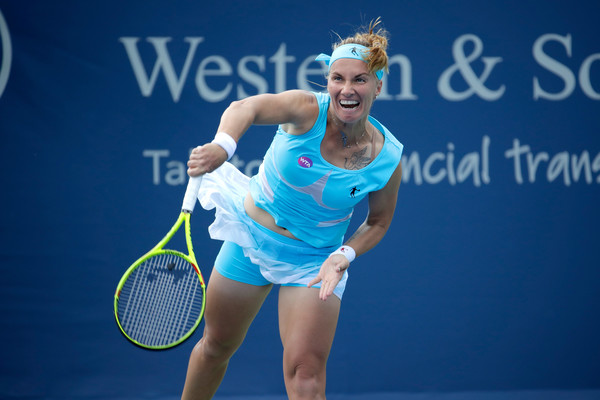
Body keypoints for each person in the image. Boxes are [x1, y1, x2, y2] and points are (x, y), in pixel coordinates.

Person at [181, 18, 403, 400]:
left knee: (305, 373)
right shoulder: (305, 110)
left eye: (360, 80)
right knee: (216, 347)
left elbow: (379, 222)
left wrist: (343, 255)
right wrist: (223, 146)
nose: (346, 89)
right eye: (338, 78)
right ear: (328, 81)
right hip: (249, 238)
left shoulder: (388, 158)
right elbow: (245, 107)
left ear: (378, 86)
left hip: (313, 262)